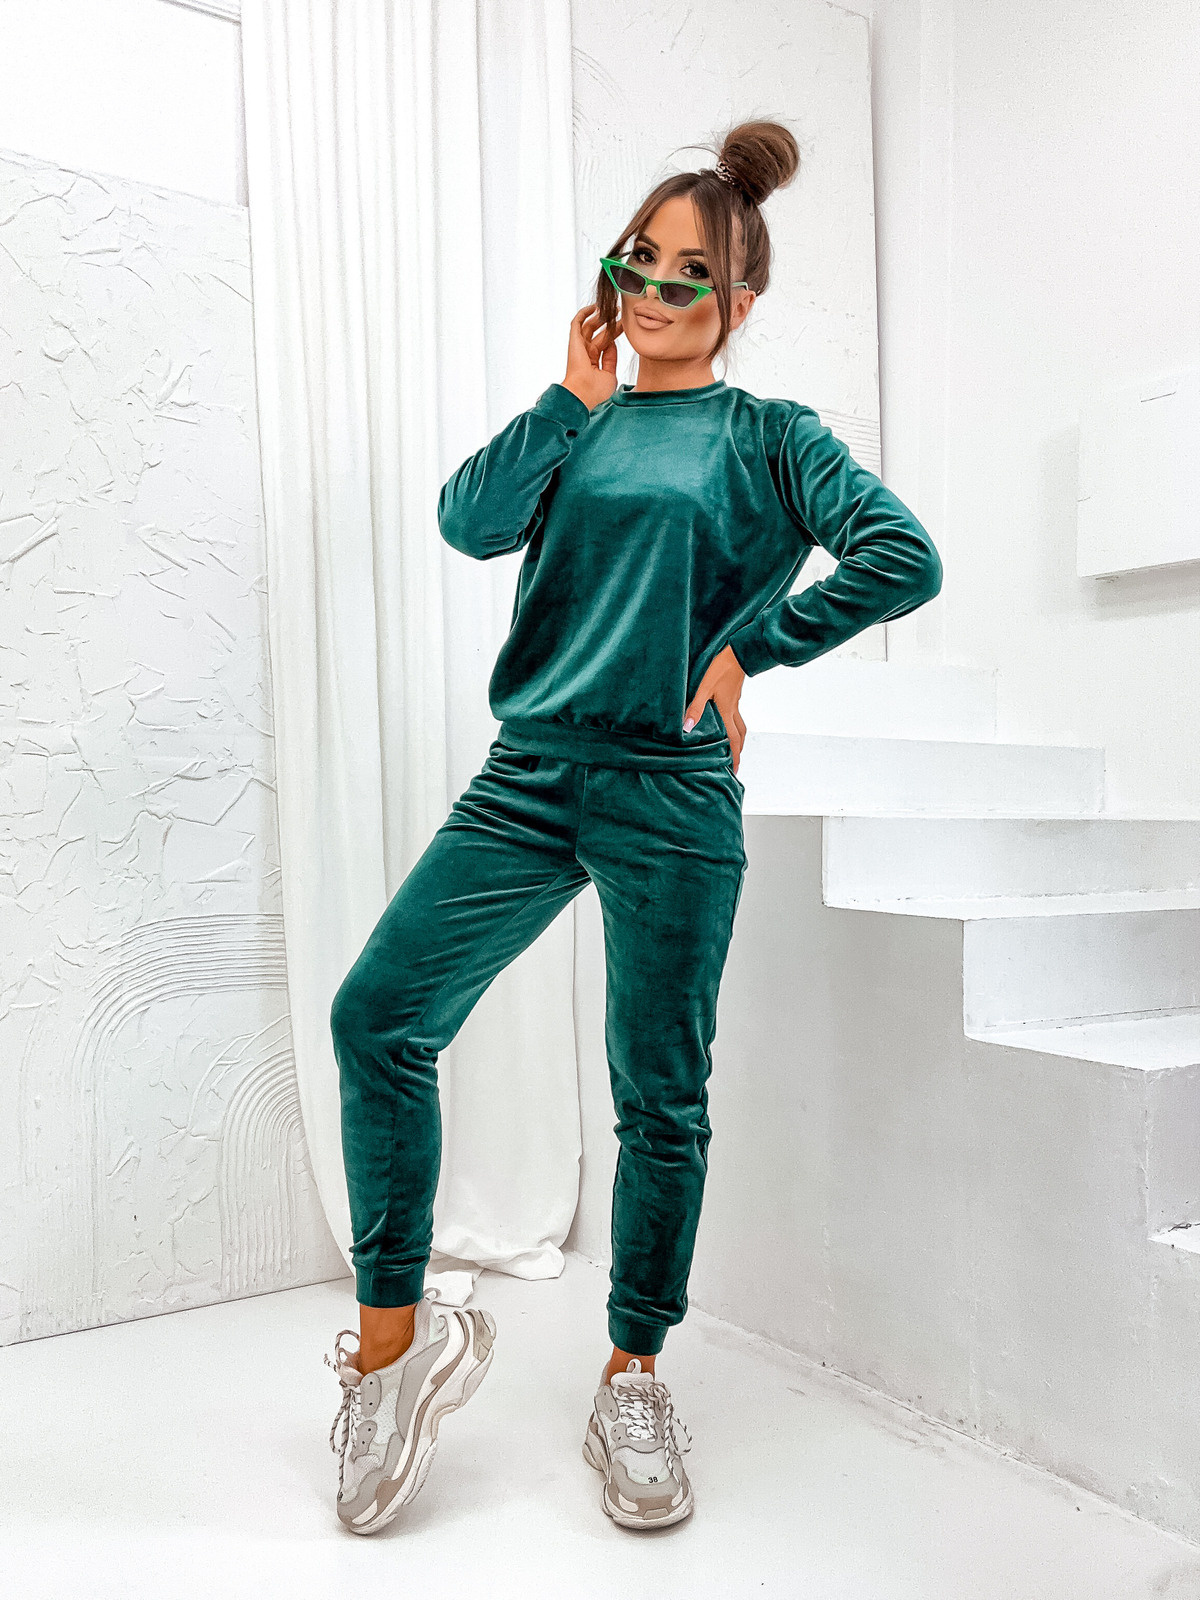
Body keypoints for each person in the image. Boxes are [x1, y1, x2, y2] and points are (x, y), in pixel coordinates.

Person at [322, 117, 944, 1537]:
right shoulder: (582, 419)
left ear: (739, 300)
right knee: (380, 1017)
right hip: (529, 776)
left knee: (660, 1094)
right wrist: (565, 397)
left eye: (690, 274)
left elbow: (903, 555)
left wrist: (754, 650)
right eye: (638, 261)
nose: (656, 289)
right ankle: (390, 1356)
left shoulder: (770, 438)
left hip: (672, 793)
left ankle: (633, 1377)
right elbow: (467, 523)